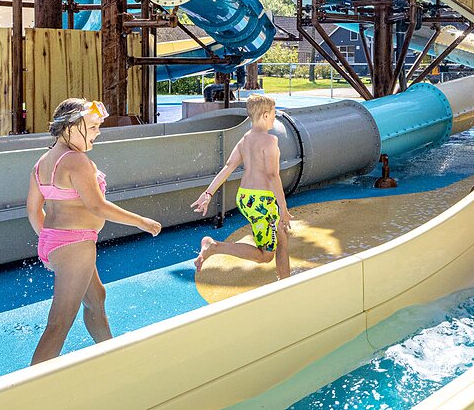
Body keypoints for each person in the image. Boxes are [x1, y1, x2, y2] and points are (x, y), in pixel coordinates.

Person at [26, 98, 163, 364]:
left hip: (58, 242)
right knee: (59, 323)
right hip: (74, 244)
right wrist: (141, 222)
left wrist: (51, 245)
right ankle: (27, 394)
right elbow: (97, 206)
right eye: (92, 126)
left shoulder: (43, 161)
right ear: (70, 125)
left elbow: (33, 210)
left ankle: (110, 357)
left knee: (96, 299)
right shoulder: (76, 160)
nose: (98, 132)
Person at [191, 94, 293, 280]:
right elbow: (272, 175)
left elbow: (229, 167)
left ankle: (285, 283)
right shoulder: (270, 141)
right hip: (262, 201)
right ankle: (214, 246)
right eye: (273, 113)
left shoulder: (245, 139)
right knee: (265, 255)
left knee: (281, 235)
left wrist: (208, 193)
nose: (274, 117)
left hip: (245, 198)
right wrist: (284, 208)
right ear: (264, 115)